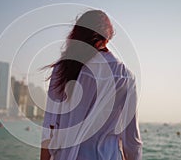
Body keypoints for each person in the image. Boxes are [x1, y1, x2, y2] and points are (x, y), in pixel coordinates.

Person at [40, 10, 142, 160]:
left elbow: (50, 128)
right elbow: (131, 140)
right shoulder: (126, 77)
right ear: (107, 38)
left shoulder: (63, 69)